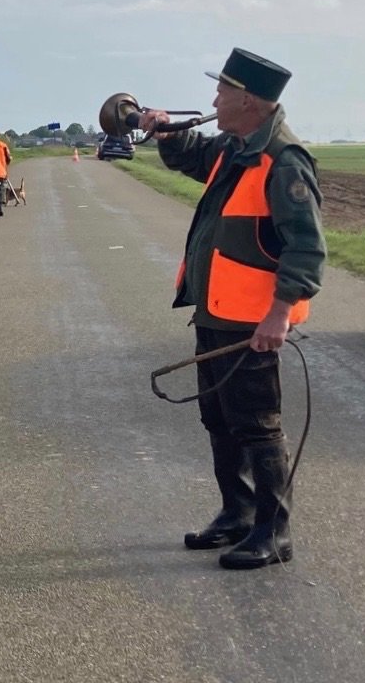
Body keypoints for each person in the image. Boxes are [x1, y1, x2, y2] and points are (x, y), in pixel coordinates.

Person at [139, 48, 326, 570]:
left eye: (222, 90)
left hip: (251, 322)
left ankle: (274, 531)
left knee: (257, 423)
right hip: (216, 313)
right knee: (219, 418)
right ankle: (237, 514)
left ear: (248, 100)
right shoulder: (236, 146)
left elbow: (307, 248)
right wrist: (166, 131)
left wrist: (279, 314)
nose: (214, 98)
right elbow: (192, 156)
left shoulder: (283, 160)